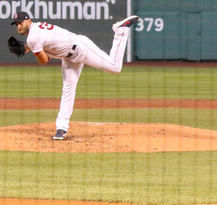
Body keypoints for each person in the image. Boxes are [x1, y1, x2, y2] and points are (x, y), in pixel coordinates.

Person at [10, 12, 139, 140]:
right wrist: (28, 47)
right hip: (68, 57)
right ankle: (61, 128)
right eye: (16, 24)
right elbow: (46, 43)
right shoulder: (36, 29)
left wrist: (31, 48)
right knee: (68, 88)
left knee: (115, 67)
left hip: (81, 48)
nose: (18, 26)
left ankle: (121, 30)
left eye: (20, 22)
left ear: (29, 21)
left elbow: (44, 60)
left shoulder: (33, 37)